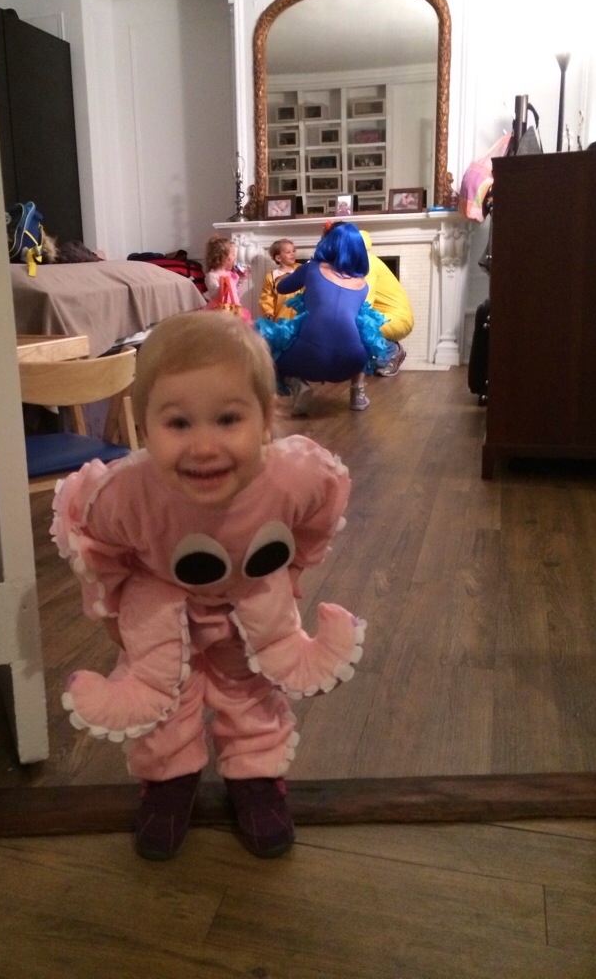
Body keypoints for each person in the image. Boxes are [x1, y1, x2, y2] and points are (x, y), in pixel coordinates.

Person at [53, 312, 365, 861]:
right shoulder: (127, 494)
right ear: (144, 428)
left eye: (227, 419)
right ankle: (169, 779)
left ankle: (257, 776)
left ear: (265, 420)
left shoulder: (292, 478)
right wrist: (113, 608)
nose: (203, 446)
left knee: (250, 689)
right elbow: (95, 543)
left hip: (253, 603)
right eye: (178, 424)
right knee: (165, 694)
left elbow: (321, 509)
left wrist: (294, 568)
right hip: (162, 609)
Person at [256, 220, 389, 415]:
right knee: (365, 330)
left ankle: (298, 385)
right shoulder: (363, 284)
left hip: (309, 359)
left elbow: (282, 287)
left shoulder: (312, 267)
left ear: (328, 243)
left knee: (271, 346)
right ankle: (357, 393)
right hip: (350, 363)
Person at [361, 229, 414, 378]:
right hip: (386, 316)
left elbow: (364, 303)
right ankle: (377, 359)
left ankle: (392, 351)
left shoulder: (367, 264)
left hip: (397, 319)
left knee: (356, 323)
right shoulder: (362, 262)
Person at [203, 235, 250, 320]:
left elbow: (235, 293)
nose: (235, 257)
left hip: (233, 307)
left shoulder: (231, 274)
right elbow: (214, 295)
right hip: (220, 309)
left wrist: (240, 280)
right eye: (233, 254)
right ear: (224, 257)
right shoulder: (212, 275)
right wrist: (223, 285)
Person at [258, 238, 301, 320]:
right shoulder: (271, 276)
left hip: (300, 314)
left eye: (294, 251)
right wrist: (268, 311)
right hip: (282, 316)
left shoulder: (299, 269)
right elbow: (267, 295)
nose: (293, 254)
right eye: (288, 252)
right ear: (278, 258)